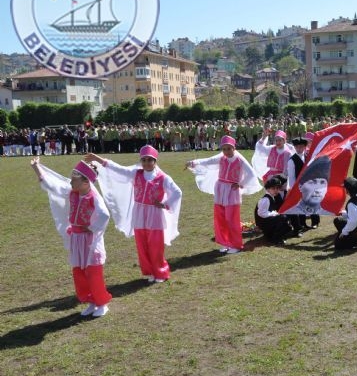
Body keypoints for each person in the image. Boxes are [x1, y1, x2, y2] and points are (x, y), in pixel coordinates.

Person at [86, 145, 182, 283]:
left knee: (156, 245)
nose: (147, 163)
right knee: (141, 244)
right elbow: (118, 169)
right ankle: (149, 271)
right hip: (139, 213)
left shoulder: (163, 178)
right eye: (144, 160)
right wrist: (98, 159)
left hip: (154, 214)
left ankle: (160, 272)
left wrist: (165, 204)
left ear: (155, 161)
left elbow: (177, 192)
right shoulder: (136, 173)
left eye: (150, 160)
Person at [31, 157, 112, 317]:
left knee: (93, 271)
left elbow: (104, 215)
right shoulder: (73, 193)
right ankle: (91, 301)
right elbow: (53, 187)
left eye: (74, 180)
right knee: (79, 271)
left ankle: (102, 303)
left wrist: (90, 228)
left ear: (85, 182)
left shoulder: (93, 197)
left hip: (90, 240)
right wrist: (37, 168)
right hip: (76, 238)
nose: (71, 182)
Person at [186, 135, 260, 254]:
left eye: (229, 149)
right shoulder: (221, 158)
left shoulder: (240, 160)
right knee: (220, 218)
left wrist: (241, 184)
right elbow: (208, 161)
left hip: (232, 191)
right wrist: (193, 163)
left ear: (234, 148)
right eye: (224, 149)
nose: (226, 151)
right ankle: (225, 243)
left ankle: (236, 244)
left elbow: (251, 174)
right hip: (220, 189)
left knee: (231, 219)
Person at [333, 177, 357, 250]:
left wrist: (344, 232)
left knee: (338, 246)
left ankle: (356, 240)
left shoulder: (352, 204)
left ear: (348, 190)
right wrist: (343, 213)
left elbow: (353, 222)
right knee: (338, 220)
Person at [254, 175, 292, 245]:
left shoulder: (271, 197)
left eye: (277, 188)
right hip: (264, 223)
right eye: (273, 188)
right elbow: (261, 213)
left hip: (266, 221)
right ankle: (274, 239)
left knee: (286, 223)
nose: (276, 190)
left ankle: (272, 236)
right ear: (268, 189)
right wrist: (274, 214)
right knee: (283, 218)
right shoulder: (266, 199)